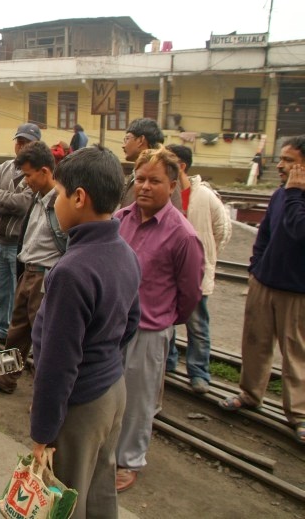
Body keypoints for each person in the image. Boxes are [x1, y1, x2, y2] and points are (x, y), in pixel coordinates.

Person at [31, 146, 141, 519]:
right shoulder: (124, 251)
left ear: (79, 198)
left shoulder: (71, 271)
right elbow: (131, 321)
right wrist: (104, 357)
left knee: (67, 496)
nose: (54, 203)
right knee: (100, 487)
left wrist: (42, 432)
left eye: (59, 194)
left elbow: (57, 365)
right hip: (113, 389)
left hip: (80, 403)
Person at [113, 147, 204, 492]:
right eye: (140, 179)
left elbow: (190, 293)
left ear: (172, 186)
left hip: (149, 331)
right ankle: (107, 449)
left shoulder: (183, 235)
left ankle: (129, 460)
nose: (145, 187)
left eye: (155, 181)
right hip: (114, 324)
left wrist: (164, 319)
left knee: (139, 401)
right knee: (108, 392)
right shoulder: (119, 219)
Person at [219, 135, 305, 445]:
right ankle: (250, 393)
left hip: (297, 291)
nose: (280, 165)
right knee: (255, 342)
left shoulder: (291, 196)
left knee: (295, 353)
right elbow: (265, 234)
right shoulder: (281, 194)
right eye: (281, 159)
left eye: (289, 160)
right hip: (264, 282)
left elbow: (299, 230)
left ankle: (299, 414)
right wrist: (256, 268)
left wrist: (295, 193)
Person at [0, 141, 66, 394]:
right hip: (28, 272)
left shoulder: (61, 203)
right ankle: (6, 379)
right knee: (17, 332)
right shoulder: (37, 198)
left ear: (45, 171)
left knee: (43, 339)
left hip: (45, 276)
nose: (26, 181)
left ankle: (44, 395)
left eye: (28, 175)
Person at [164, 144, 232, 394]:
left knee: (197, 324)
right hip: (169, 273)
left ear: (181, 166)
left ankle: (199, 372)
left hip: (196, 275)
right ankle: (169, 362)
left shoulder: (204, 196)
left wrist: (205, 258)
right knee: (167, 322)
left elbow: (222, 230)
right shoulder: (166, 194)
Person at [0, 124, 38, 345]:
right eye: (19, 142)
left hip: (19, 244)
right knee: (1, 290)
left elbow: (24, 205)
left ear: (36, 145)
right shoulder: (4, 167)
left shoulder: (35, 172)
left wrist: (0, 195)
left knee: (20, 293)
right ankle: (1, 330)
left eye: (27, 142)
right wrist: (9, 200)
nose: (21, 146)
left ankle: (16, 337)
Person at [119, 118, 182, 210]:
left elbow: (174, 213)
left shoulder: (166, 172)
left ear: (141, 140)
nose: (123, 145)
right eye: (140, 180)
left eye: (127, 139)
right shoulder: (134, 174)